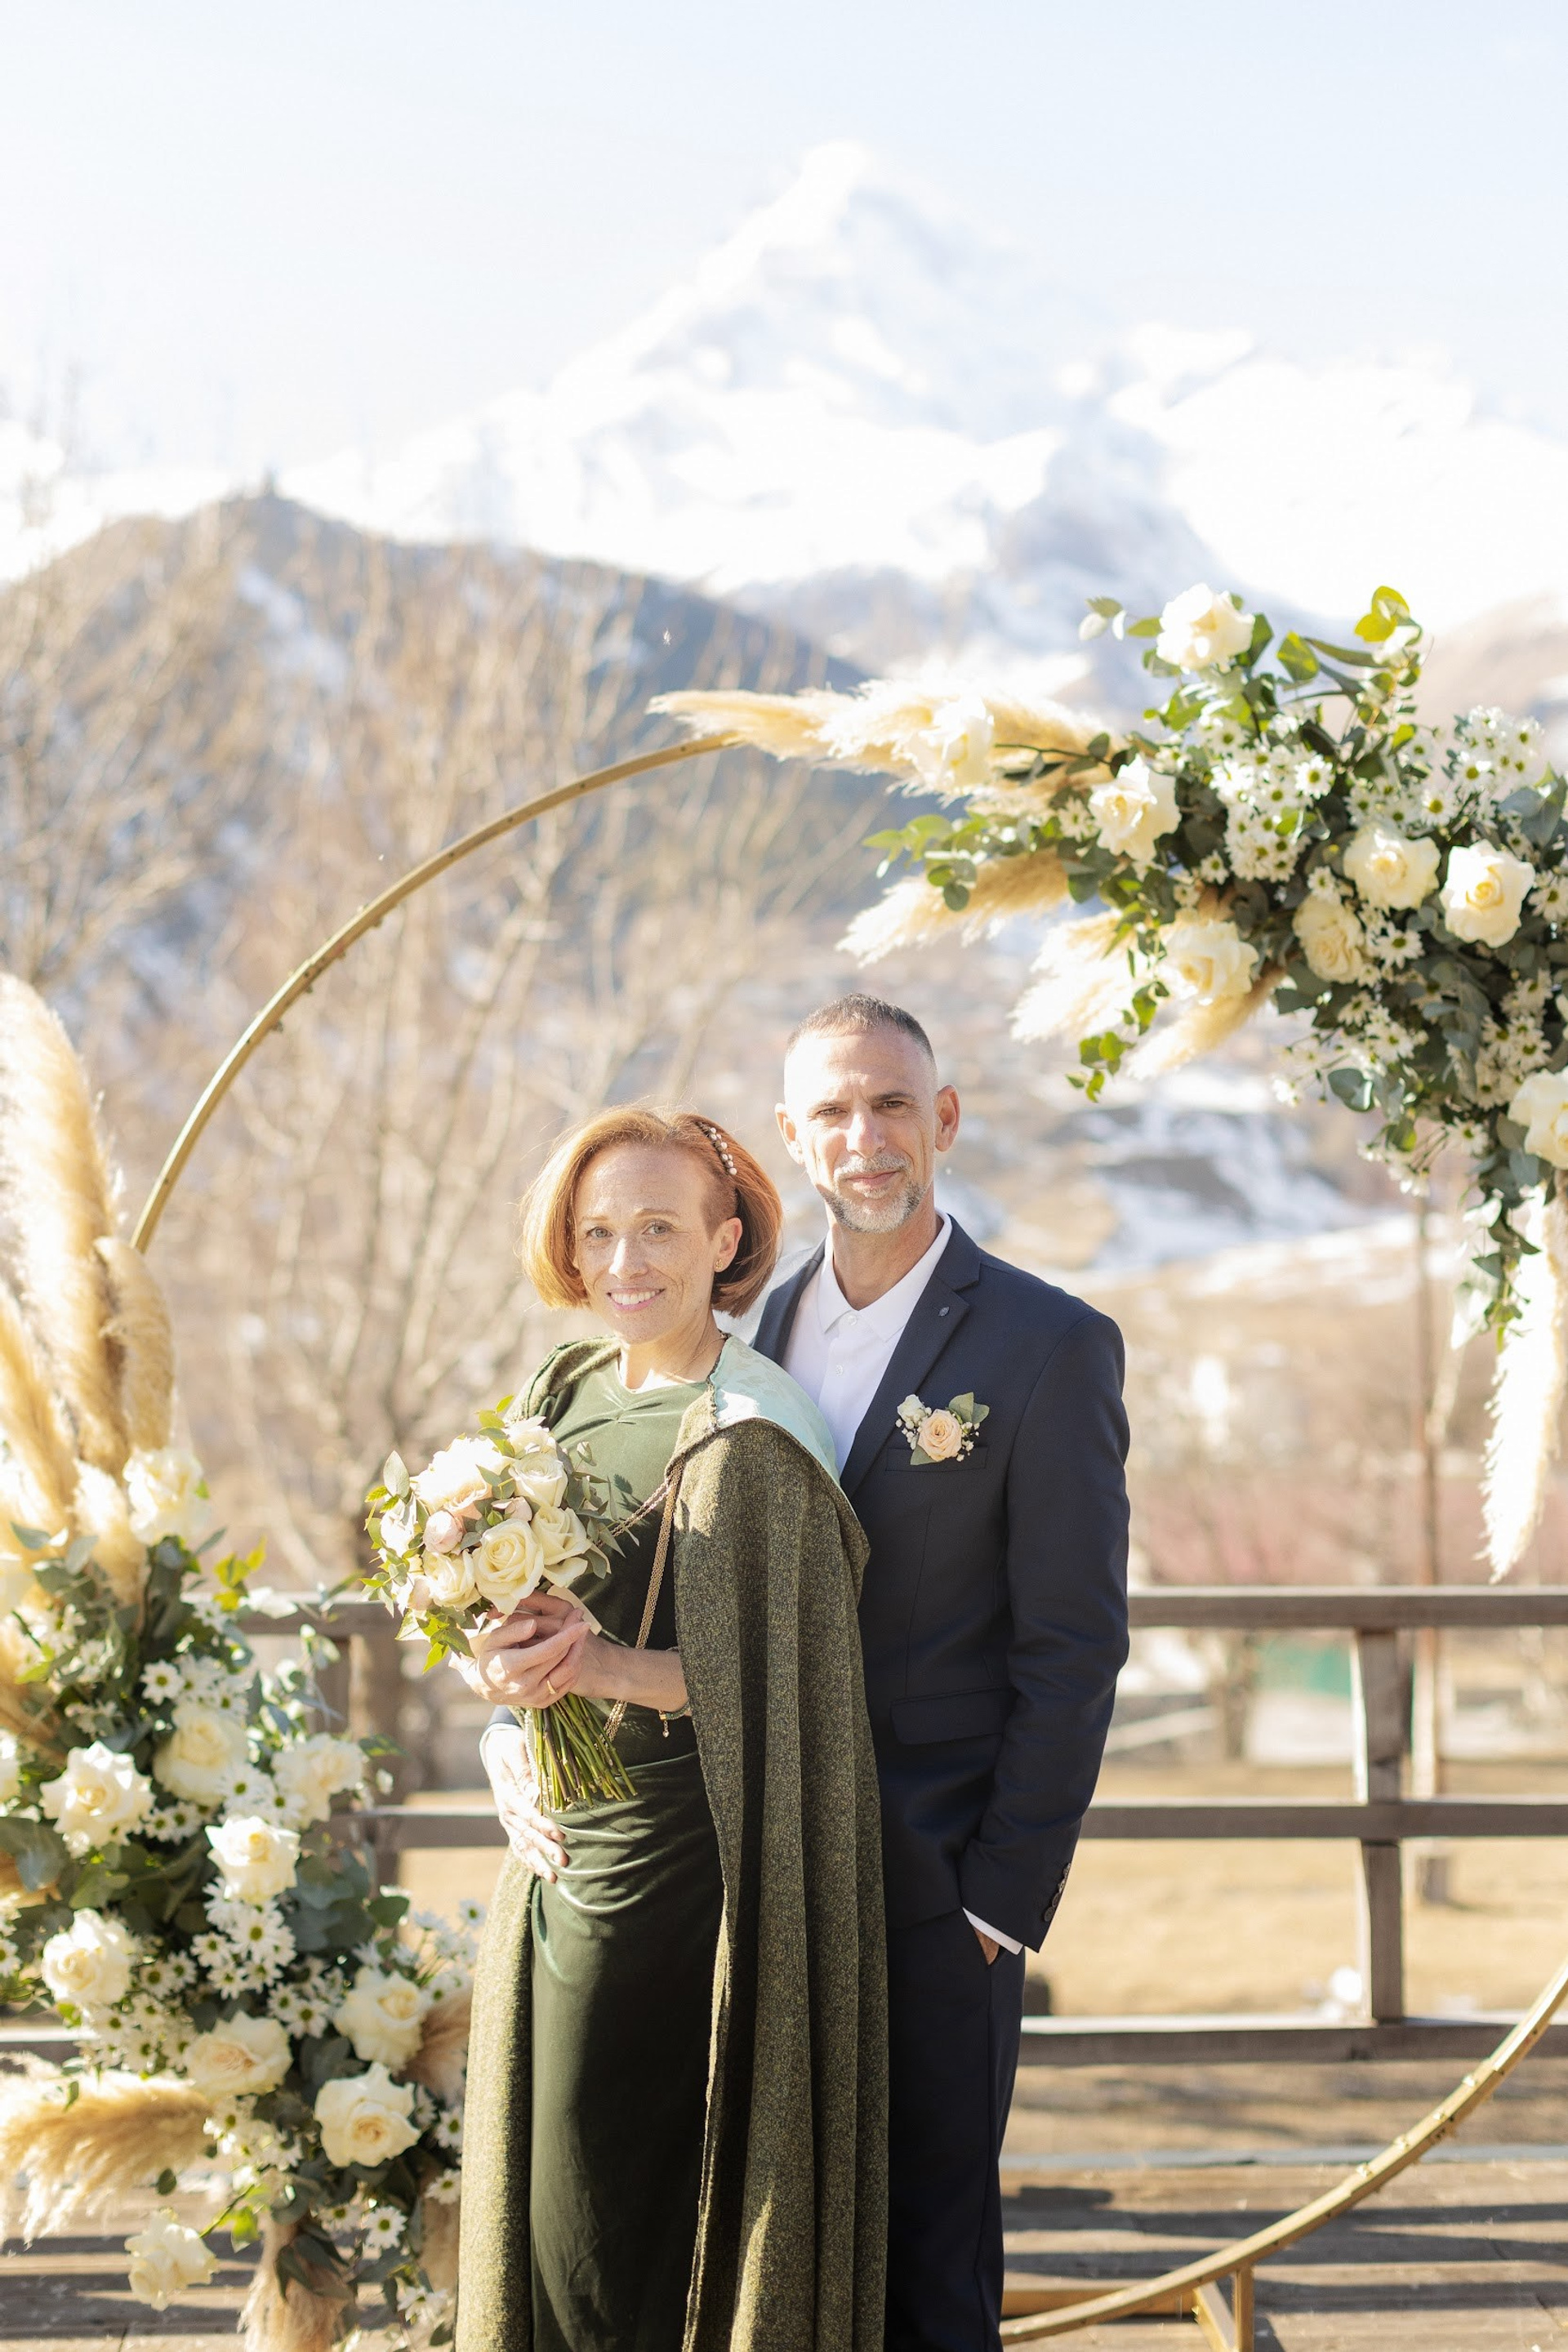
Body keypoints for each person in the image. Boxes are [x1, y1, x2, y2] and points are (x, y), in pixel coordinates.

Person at [488, 1002, 1129, 2352]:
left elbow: (1071, 1650)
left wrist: (1000, 1906)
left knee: (924, 2268)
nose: (866, 1137)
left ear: (943, 1119)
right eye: (832, 1112)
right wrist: (520, 1743)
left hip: (925, 1882)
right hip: (739, 1878)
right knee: (764, 2260)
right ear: (790, 1138)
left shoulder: (1046, 1346)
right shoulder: (734, 1332)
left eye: (892, 1104)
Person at [455, 1107, 886, 2352]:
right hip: (549, 1852)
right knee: (540, 2190)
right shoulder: (560, 1391)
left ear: (725, 1238)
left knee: (618, 2203)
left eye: (658, 1228)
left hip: (682, 1869)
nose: (625, 1262)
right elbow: (506, 1621)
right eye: (599, 1233)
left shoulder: (751, 1430)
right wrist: (505, 1730)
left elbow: (787, 1682)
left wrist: (596, 1668)